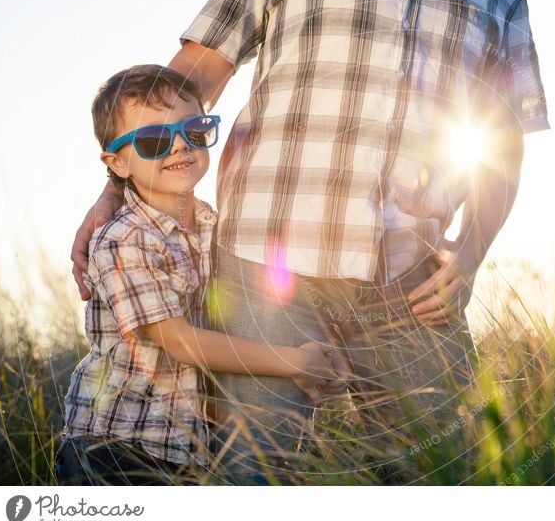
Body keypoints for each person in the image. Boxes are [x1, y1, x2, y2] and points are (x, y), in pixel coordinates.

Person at [71, 0, 550, 484]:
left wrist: (472, 250)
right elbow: (195, 72)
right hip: (263, 264)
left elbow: (503, 135)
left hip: (413, 278)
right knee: (259, 470)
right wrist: (118, 187)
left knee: (441, 470)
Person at [57, 65, 348, 486]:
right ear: (117, 162)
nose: (178, 146)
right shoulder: (124, 239)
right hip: (114, 446)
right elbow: (178, 342)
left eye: (193, 130)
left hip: (184, 445)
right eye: (154, 140)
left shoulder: (214, 224)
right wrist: (294, 362)